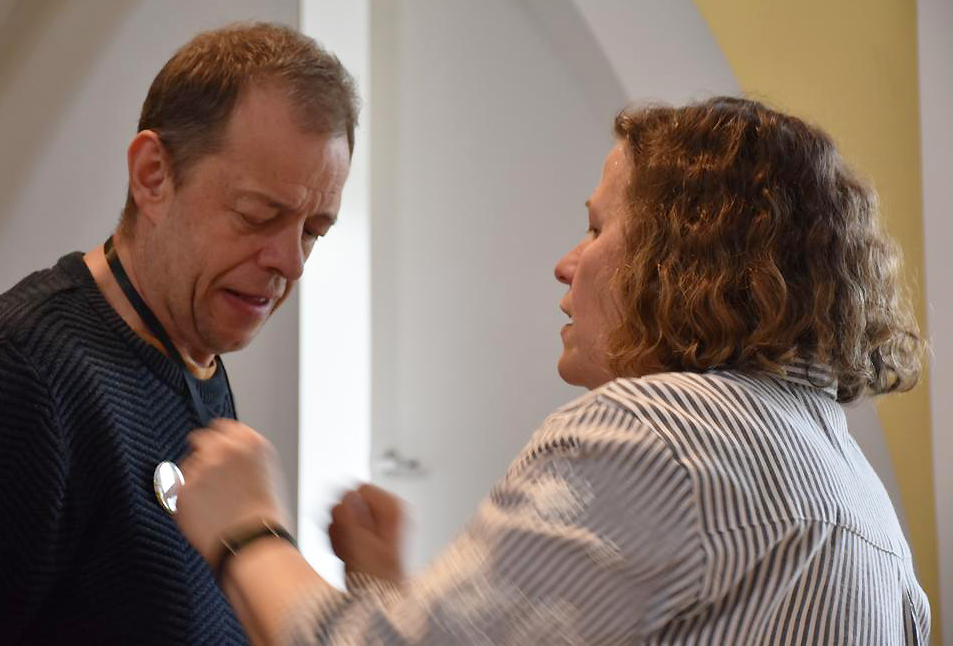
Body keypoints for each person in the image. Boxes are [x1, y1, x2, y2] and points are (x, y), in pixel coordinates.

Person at [174, 96, 932, 645]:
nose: (568, 263)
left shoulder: (661, 433)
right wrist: (383, 588)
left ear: (683, 259)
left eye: (597, 228)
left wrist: (247, 530)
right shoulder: (866, 507)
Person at [0, 22, 358, 644]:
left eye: (313, 231)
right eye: (257, 215)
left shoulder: (190, 351)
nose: (290, 263)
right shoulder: (19, 379)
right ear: (154, 175)